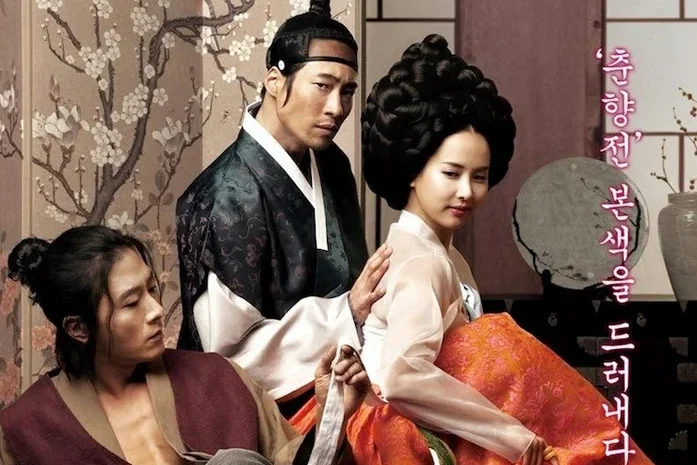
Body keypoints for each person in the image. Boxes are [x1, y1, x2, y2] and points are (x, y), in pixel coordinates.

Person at [290, 34, 656, 465]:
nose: (466, 192)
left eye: (479, 177)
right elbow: (404, 377)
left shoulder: (437, 251)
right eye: (451, 173)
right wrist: (513, 437)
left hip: (426, 418)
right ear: (412, 171)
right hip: (399, 432)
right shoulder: (421, 261)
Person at [175, 0, 391, 417]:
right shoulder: (225, 197)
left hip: (348, 378)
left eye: (347, 91)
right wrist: (345, 313)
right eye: (323, 86)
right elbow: (230, 359)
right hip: (257, 413)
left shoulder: (331, 163)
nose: (337, 108)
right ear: (275, 80)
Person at [0, 226, 370, 465]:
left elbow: (288, 459)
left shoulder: (219, 378)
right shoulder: (26, 428)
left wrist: (332, 417)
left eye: (152, 289)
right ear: (78, 328)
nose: (156, 310)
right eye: (132, 302)